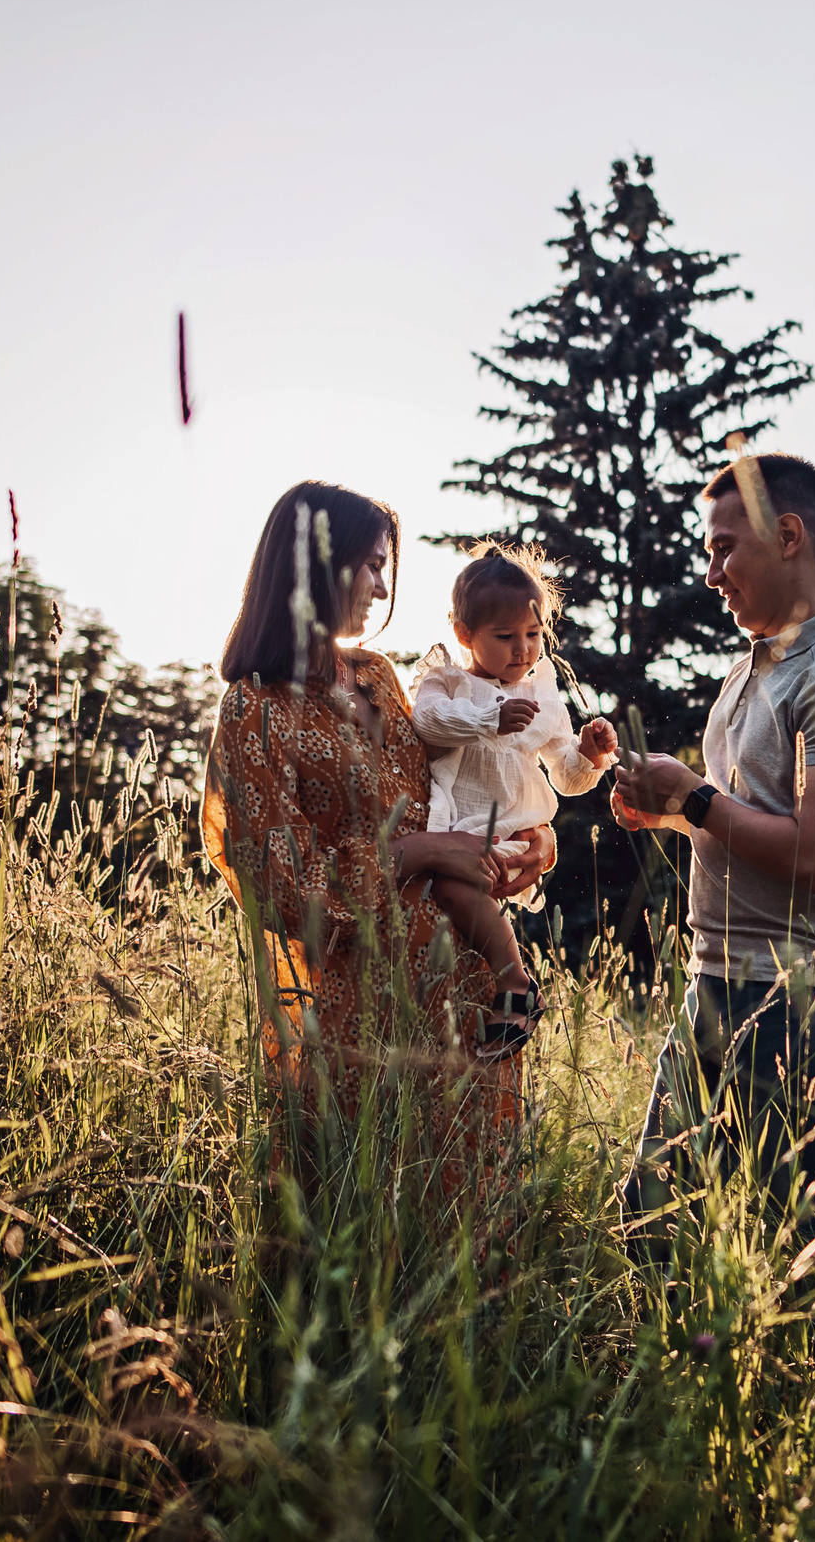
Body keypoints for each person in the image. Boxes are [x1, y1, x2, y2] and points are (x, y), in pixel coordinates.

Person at [200, 482, 551, 1200]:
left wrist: (524, 843)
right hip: (358, 1029)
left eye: (384, 564)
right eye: (365, 564)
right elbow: (282, 892)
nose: (381, 584)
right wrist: (417, 853)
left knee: (469, 1254)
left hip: (466, 1003)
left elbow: (455, 795)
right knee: (368, 1247)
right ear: (309, 565)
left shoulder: (381, 678)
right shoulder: (253, 709)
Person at [611, 452, 815, 1245]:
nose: (712, 572)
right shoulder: (748, 672)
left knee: (784, 1250)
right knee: (654, 1229)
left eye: (724, 547)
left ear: (790, 536)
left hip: (804, 995)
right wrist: (666, 811)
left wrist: (694, 796)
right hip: (716, 981)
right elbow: (742, 823)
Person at [407, 544, 619, 988]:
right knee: (450, 895)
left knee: (467, 905)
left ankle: (510, 983)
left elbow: (565, 777)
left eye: (533, 634)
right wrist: (489, 719)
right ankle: (514, 979)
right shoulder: (447, 680)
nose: (522, 650)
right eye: (504, 637)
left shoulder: (542, 695)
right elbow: (427, 723)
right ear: (464, 633)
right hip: (455, 832)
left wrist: (588, 756)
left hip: (516, 836)